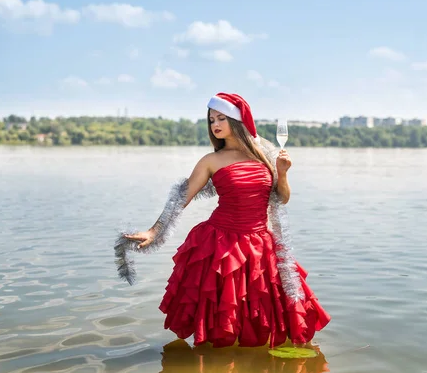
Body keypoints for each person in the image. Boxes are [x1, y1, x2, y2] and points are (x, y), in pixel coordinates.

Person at [120, 92, 330, 348]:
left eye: (221, 118)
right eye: (211, 120)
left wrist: (283, 174)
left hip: (261, 245)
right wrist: (154, 232)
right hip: (221, 245)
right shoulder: (211, 161)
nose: (215, 125)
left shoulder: (263, 154)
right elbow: (181, 198)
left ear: (238, 120)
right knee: (225, 314)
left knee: (264, 310)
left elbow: (281, 199)